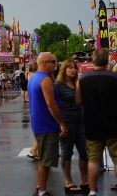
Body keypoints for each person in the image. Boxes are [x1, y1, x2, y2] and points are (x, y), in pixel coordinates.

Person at [76, 48, 117, 195]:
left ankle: (92, 191)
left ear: (93, 60)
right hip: (114, 125)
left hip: (92, 125)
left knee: (93, 160)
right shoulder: (114, 77)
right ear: (107, 61)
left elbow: (78, 101)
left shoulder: (83, 79)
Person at [28, 52, 68, 196]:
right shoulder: (44, 80)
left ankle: (41, 187)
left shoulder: (34, 78)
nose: (56, 65)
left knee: (44, 159)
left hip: (39, 123)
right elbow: (51, 104)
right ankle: (42, 191)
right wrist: (62, 124)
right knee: (45, 161)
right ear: (45, 63)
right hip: (47, 125)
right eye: (54, 62)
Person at [54, 59, 88, 193]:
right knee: (67, 152)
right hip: (66, 120)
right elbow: (54, 105)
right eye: (70, 68)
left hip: (81, 120)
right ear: (64, 70)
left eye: (74, 68)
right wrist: (60, 124)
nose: (73, 70)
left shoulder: (78, 83)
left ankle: (84, 180)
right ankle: (68, 181)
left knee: (84, 151)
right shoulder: (57, 85)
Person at [27, 62, 39, 160]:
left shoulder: (31, 76)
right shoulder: (37, 77)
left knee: (39, 131)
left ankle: (37, 150)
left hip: (33, 105)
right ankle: (34, 149)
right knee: (42, 132)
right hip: (37, 106)